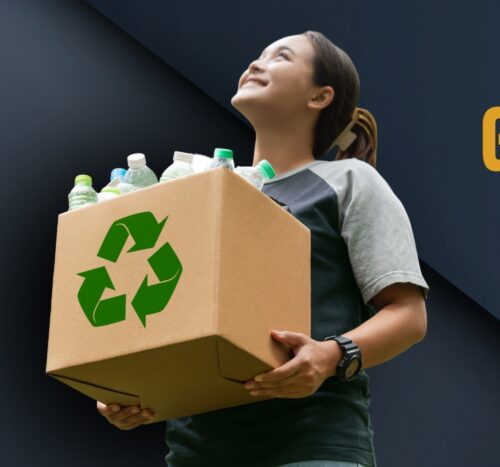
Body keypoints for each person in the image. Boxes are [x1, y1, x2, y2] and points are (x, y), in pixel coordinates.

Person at [95, 31, 429, 467]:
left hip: (312, 445)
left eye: (280, 57)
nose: (255, 63)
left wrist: (331, 356)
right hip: (198, 452)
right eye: (257, 56)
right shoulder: (202, 195)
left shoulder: (348, 181)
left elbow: (408, 314)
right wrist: (127, 389)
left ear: (320, 96)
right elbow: (166, 316)